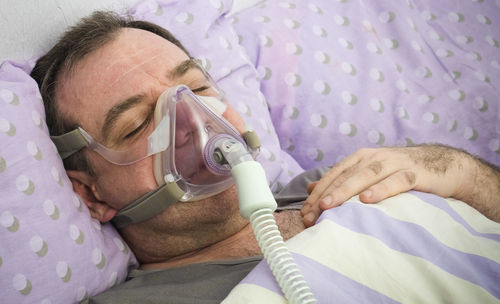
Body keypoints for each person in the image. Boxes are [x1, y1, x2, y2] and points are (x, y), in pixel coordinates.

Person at [30, 11, 500, 303]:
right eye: (136, 124)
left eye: (195, 89)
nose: (195, 121)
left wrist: (462, 173)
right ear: (91, 194)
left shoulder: (340, 180)